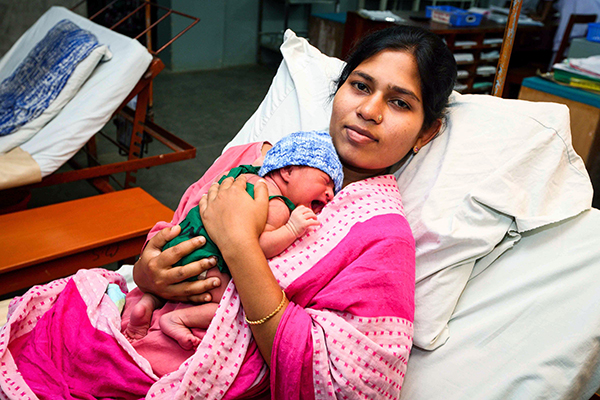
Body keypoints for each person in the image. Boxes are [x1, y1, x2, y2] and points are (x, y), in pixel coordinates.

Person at [4, 24, 456, 398]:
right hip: (133, 317)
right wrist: (147, 272)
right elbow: (172, 235)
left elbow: (354, 384)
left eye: (400, 102)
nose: (369, 110)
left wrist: (241, 245)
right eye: (360, 86)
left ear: (425, 131)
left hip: (187, 366)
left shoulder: (381, 235)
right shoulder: (250, 159)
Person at [123, 130, 343, 350]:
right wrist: (292, 229)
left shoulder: (242, 174)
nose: (330, 194)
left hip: (179, 245)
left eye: (334, 190)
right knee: (234, 306)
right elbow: (256, 247)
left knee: (168, 284)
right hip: (207, 261)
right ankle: (178, 319)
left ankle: (149, 302)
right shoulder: (277, 205)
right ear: (287, 171)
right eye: (326, 182)